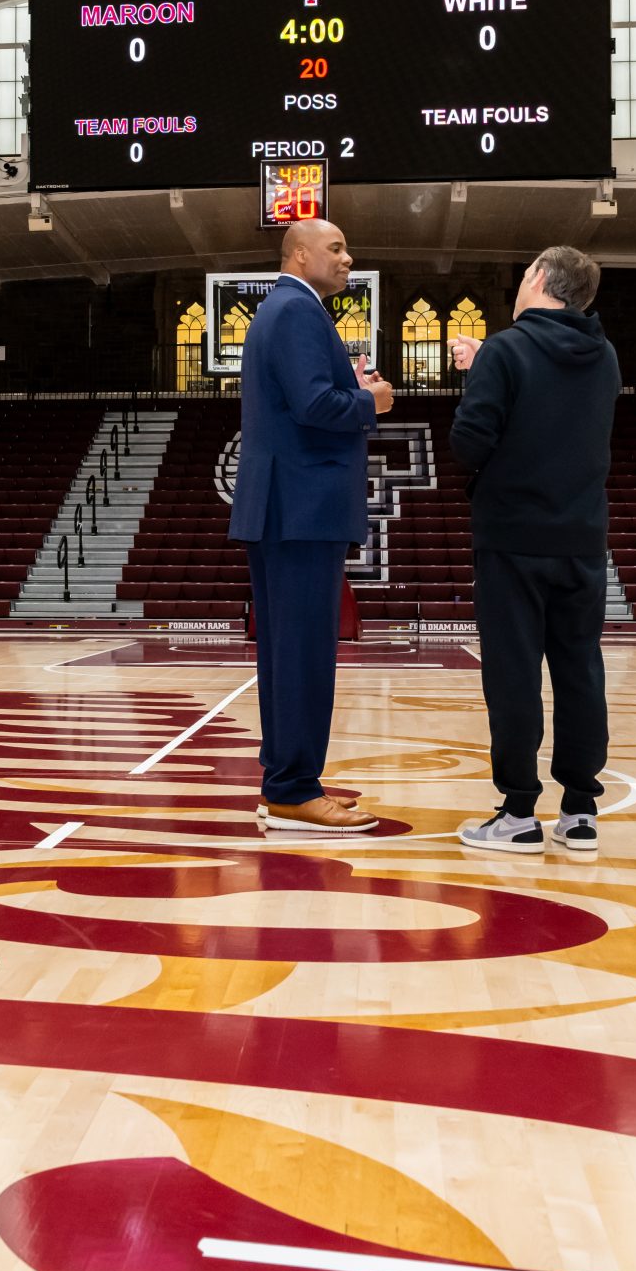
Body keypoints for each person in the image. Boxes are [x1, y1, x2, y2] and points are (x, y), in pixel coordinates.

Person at [448, 245, 620, 856]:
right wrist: (488, 367)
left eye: (523, 276)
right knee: (580, 671)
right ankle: (579, 812)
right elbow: (556, 416)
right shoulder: (604, 355)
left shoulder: (506, 348)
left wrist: (481, 375)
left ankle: (519, 810)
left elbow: (470, 442)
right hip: (581, 538)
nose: (518, 286)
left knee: (514, 675)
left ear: (542, 280)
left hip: (514, 539)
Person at [229, 216, 394, 834]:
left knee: (286, 654)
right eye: (336, 248)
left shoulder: (282, 309)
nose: (348, 258)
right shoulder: (298, 312)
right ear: (299, 256)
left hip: (284, 506)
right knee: (302, 654)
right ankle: (294, 790)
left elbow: (303, 398)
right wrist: (369, 402)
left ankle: (288, 781)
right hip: (300, 507)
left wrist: (344, 390)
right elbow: (316, 405)